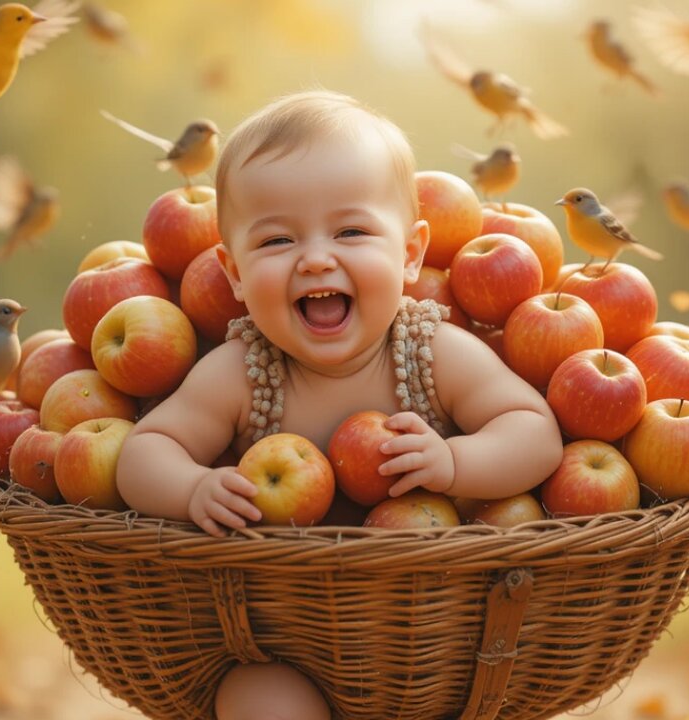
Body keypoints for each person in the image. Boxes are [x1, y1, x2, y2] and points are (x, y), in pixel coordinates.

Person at [117, 89, 563, 720]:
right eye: (276, 242)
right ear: (235, 272)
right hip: (289, 644)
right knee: (254, 698)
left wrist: (454, 461)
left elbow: (534, 430)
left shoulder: (430, 351)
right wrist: (192, 487)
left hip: (429, 644)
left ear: (410, 254)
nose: (317, 257)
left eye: (352, 231)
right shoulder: (243, 372)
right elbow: (143, 451)